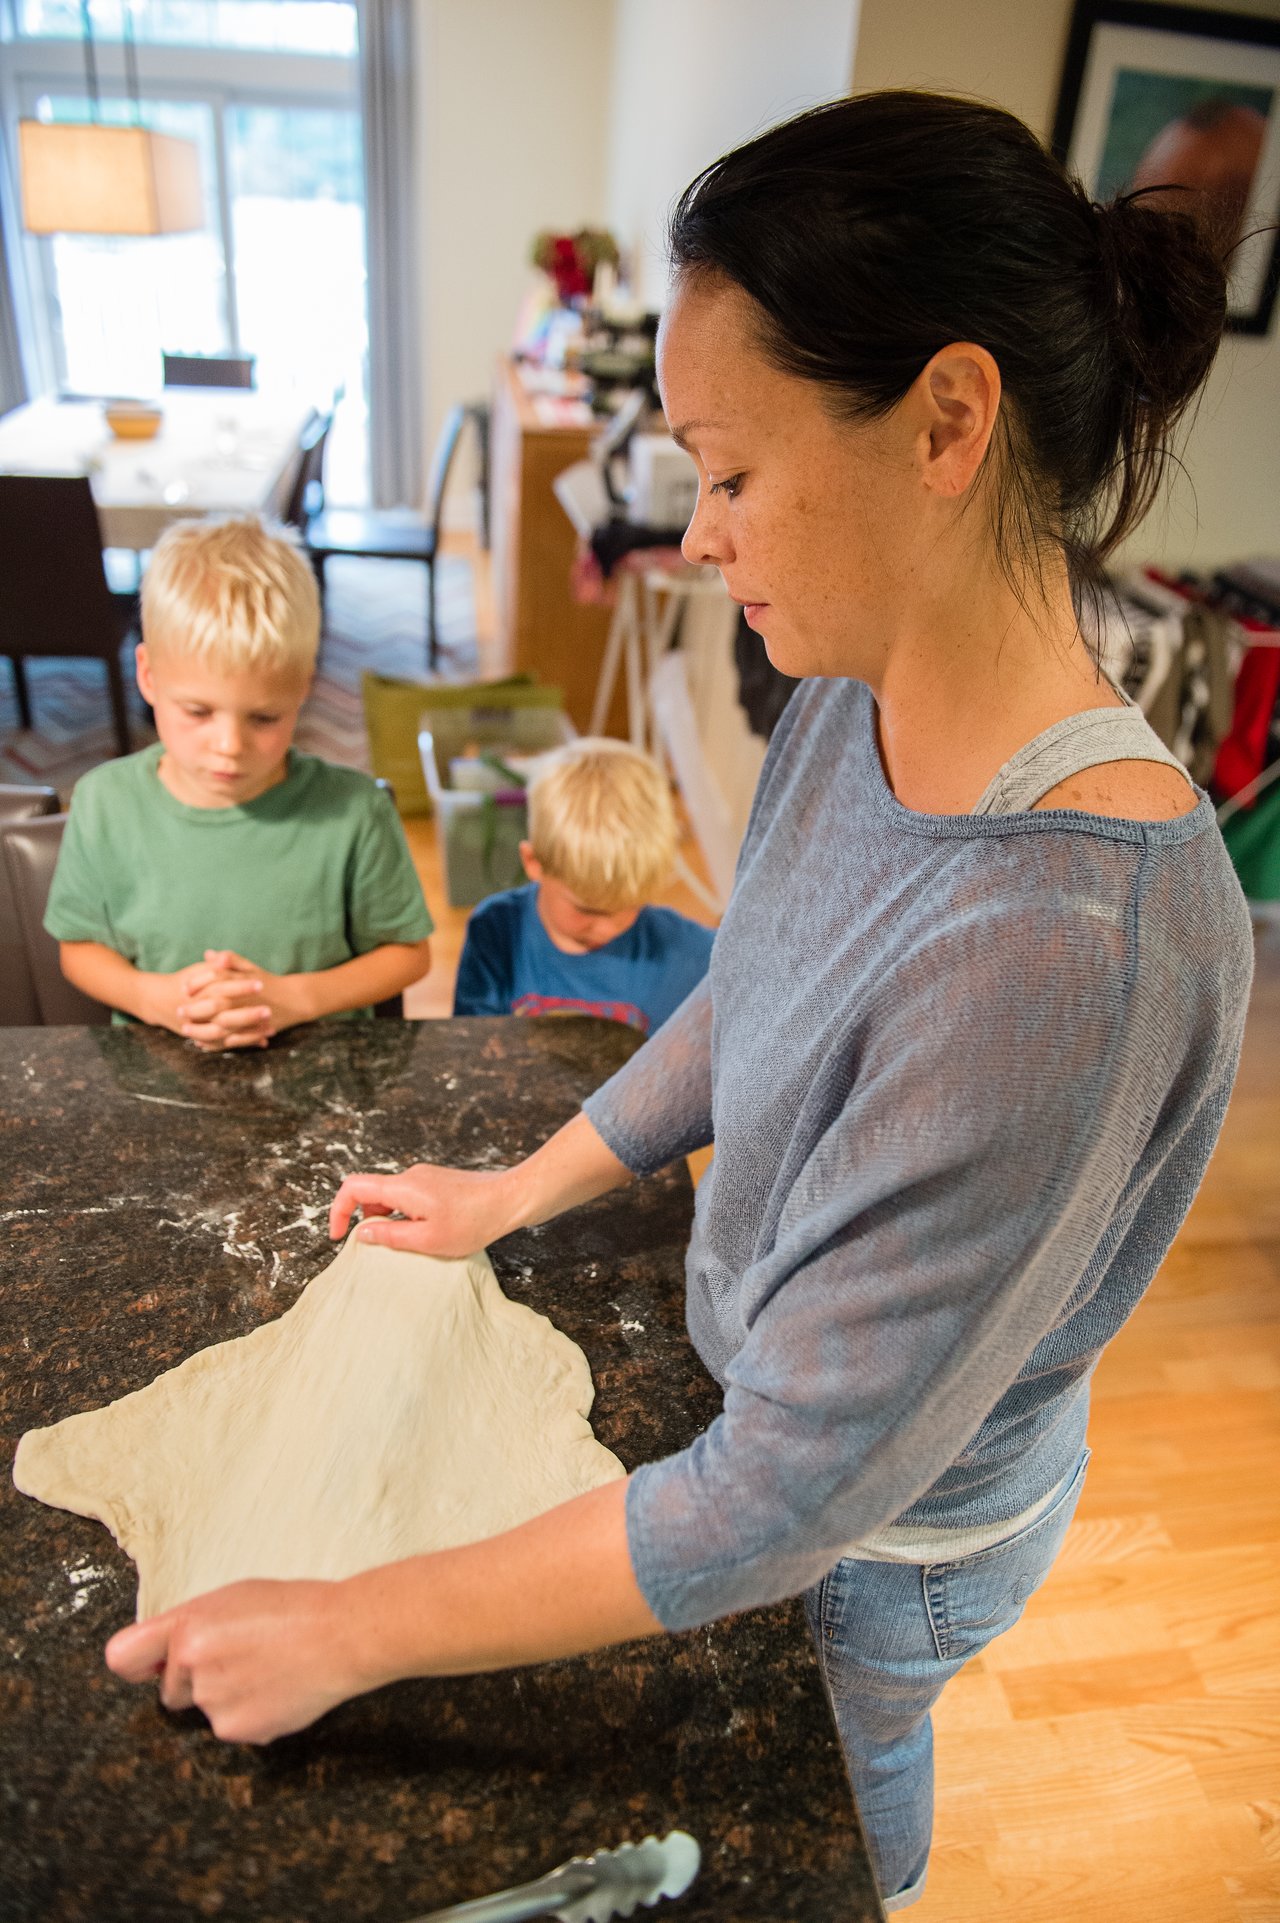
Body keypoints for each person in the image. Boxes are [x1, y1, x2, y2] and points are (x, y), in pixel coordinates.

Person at [105, 93, 1253, 1911]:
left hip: (894, 1542)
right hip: (788, 1427)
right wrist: (515, 1189)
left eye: (730, 470)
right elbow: (758, 997)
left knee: (837, 1825)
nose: (703, 535)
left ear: (949, 420)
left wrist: (350, 1626)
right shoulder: (848, 700)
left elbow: (786, 1499)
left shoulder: (1068, 946)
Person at [47, 515, 433, 1046]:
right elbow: (80, 948)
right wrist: (151, 998)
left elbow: (408, 954)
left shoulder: (355, 812)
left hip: (320, 1071)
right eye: (199, 711)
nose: (229, 745)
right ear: (148, 676)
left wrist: (296, 1000)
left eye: (263, 717)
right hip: (159, 1070)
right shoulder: (102, 803)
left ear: (303, 689)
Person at [452, 736, 714, 1034]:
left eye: (627, 906)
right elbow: (470, 1047)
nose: (607, 929)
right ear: (534, 862)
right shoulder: (496, 934)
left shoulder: (688, 954)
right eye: (588, 910)